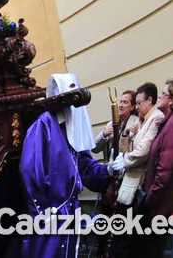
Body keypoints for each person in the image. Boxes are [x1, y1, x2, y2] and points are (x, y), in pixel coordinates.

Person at [19, 73, 114, 258]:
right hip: (49, 215)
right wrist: (43, 213)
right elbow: (29, 171)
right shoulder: (43, 125)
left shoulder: (73, 129)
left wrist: (109, 169)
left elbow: (86, 168)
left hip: (71, 211)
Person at [138, 78, 173, 257]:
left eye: (164, 94)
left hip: (159, 205)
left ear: (172, 100)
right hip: (159, 202)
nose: (159, 98)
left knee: (151, 250)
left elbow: (165, 170)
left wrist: (150, 198)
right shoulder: (170, 121)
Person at [110, 83, 164, 207]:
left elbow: (144, 149)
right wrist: (128, 134)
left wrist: (125, 160)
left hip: (140, 178)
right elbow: (132, 144)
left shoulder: (156, 118)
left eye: (139, 103)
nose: (137, 107)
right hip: (132, 176)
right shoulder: (143, 119)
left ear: (149, 100)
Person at [93, 90, 138, 162]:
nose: (120, 105)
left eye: (125, 102)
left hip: (126, 168)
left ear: (132, 107)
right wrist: (104, 134)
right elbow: (94, 149)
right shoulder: (111, 124)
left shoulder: (136, 123)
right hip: (110, 169)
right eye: (120, 102)